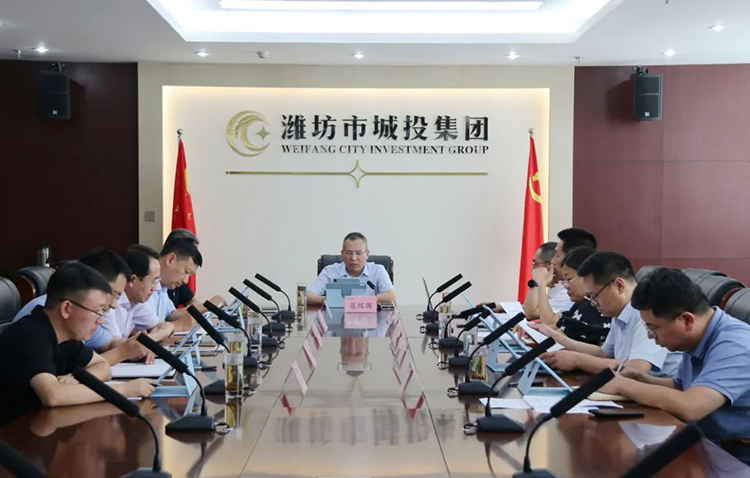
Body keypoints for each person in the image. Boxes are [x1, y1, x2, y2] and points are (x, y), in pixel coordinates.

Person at [599, 268, 750, 464]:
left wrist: (623, 386)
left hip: (735, 458)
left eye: (654, 327)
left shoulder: (736, 345)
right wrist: (642, 378)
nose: (650, 336)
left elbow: (691, 406)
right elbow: (681, 386)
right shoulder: (697, 335)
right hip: (701, 444)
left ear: (686, 320)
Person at [0, 263, 153, 428]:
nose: (101, 320)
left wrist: (74, 380)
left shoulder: (65, 336)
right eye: (98, 311)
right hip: (11, 433)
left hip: (39, 426)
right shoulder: (31, 334)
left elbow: (103, 366)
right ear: (67, 308)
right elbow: (53, 395)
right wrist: (122, 390)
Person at [530, 251, 680, 377]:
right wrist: (555, 336)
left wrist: (577, 360)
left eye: (594, 295)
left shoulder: (646, 312)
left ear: (619, 286)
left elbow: (637, 368)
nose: (592, 302)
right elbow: (603, 354)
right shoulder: (620, 312)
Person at [12, 248, 153, 366]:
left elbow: (110, 344)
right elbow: (53, 387)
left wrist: (135, 347)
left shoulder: (85, 316)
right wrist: (122, 353)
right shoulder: (48, 314)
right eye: (112, 294)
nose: (113, 304)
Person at [104, 245, 174, 343]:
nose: (154, 288)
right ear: (133, 279)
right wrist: (153, 337)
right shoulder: (110, 304)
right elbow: (118, 347)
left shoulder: (136, 301)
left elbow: (164, 326)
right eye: (153, 281)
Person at [544, 246, 611, 345]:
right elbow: (556, 328)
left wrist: (541, 284)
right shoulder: (580, 303)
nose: (566, 286)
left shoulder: (597, 307)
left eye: (569, 279)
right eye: (564, 281)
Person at [307, 232, 396, 306]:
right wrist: (328, 300)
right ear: (342, 254)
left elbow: (392, 297)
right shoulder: (330, 271)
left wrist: (362, 301)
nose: (353, 258)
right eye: (349, 253)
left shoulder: (377, 270)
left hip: (370, 319)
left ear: (367, 254)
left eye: (358, 253)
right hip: (336, 320)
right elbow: (307, 296)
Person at [162, 229, 226, 311]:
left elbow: (173, 313)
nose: (186, 280)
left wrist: (206, 308)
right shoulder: (157, 283)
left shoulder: (171, 282)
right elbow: (169, 316)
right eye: (186, 272)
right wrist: (209, 306)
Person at [522, 241, 571, 320]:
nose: (533, 269)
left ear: (549, 265)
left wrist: (537, 281)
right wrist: (505, 307)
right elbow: (534, 307)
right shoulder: (558, 285)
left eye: (535, 263)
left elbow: (530, 313)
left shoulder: (566, 291)